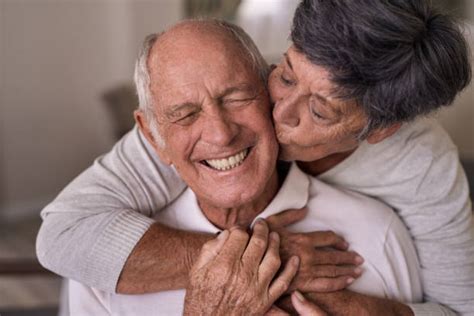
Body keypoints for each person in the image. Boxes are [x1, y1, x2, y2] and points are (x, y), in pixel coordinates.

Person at [37, 0, 474, 314]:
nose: (277, 109)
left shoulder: (421, 168)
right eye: (285, 74)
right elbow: (64, 233)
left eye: (319, 111)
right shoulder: (234, 89)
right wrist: (256, 260)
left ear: (378, 130)